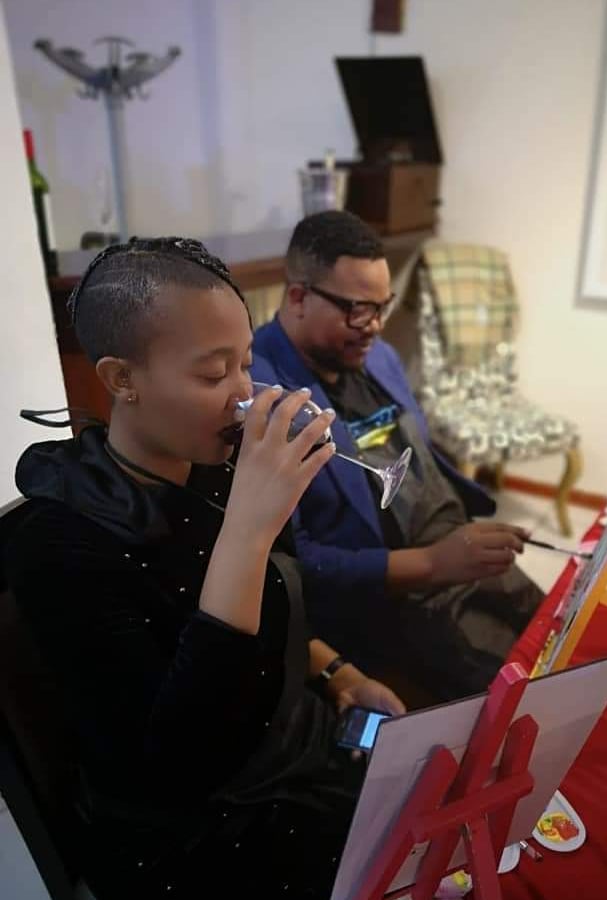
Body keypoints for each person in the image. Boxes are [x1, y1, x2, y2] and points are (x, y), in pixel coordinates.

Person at [2, 237, 404, 900]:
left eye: (246, 365)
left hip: (293, 745)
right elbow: (183, 759)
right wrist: (248, 530)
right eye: (215, 375)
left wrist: (339, 672)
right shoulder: (58, 542)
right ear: (122, 379)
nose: (244, 394)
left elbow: (276, 609)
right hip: (202, 824)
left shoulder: (216, 465)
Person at [251, 211, 544, 705]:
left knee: (554, 627)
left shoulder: (376, 354)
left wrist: (459, 540)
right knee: (520, 690)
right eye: (358, 310)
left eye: (382, 307)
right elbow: (292, 565)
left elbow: (420, 457)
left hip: (447, 541)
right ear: (298, 297)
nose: (375, 327)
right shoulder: (265, 398)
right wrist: (430, 563)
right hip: (390, 588)